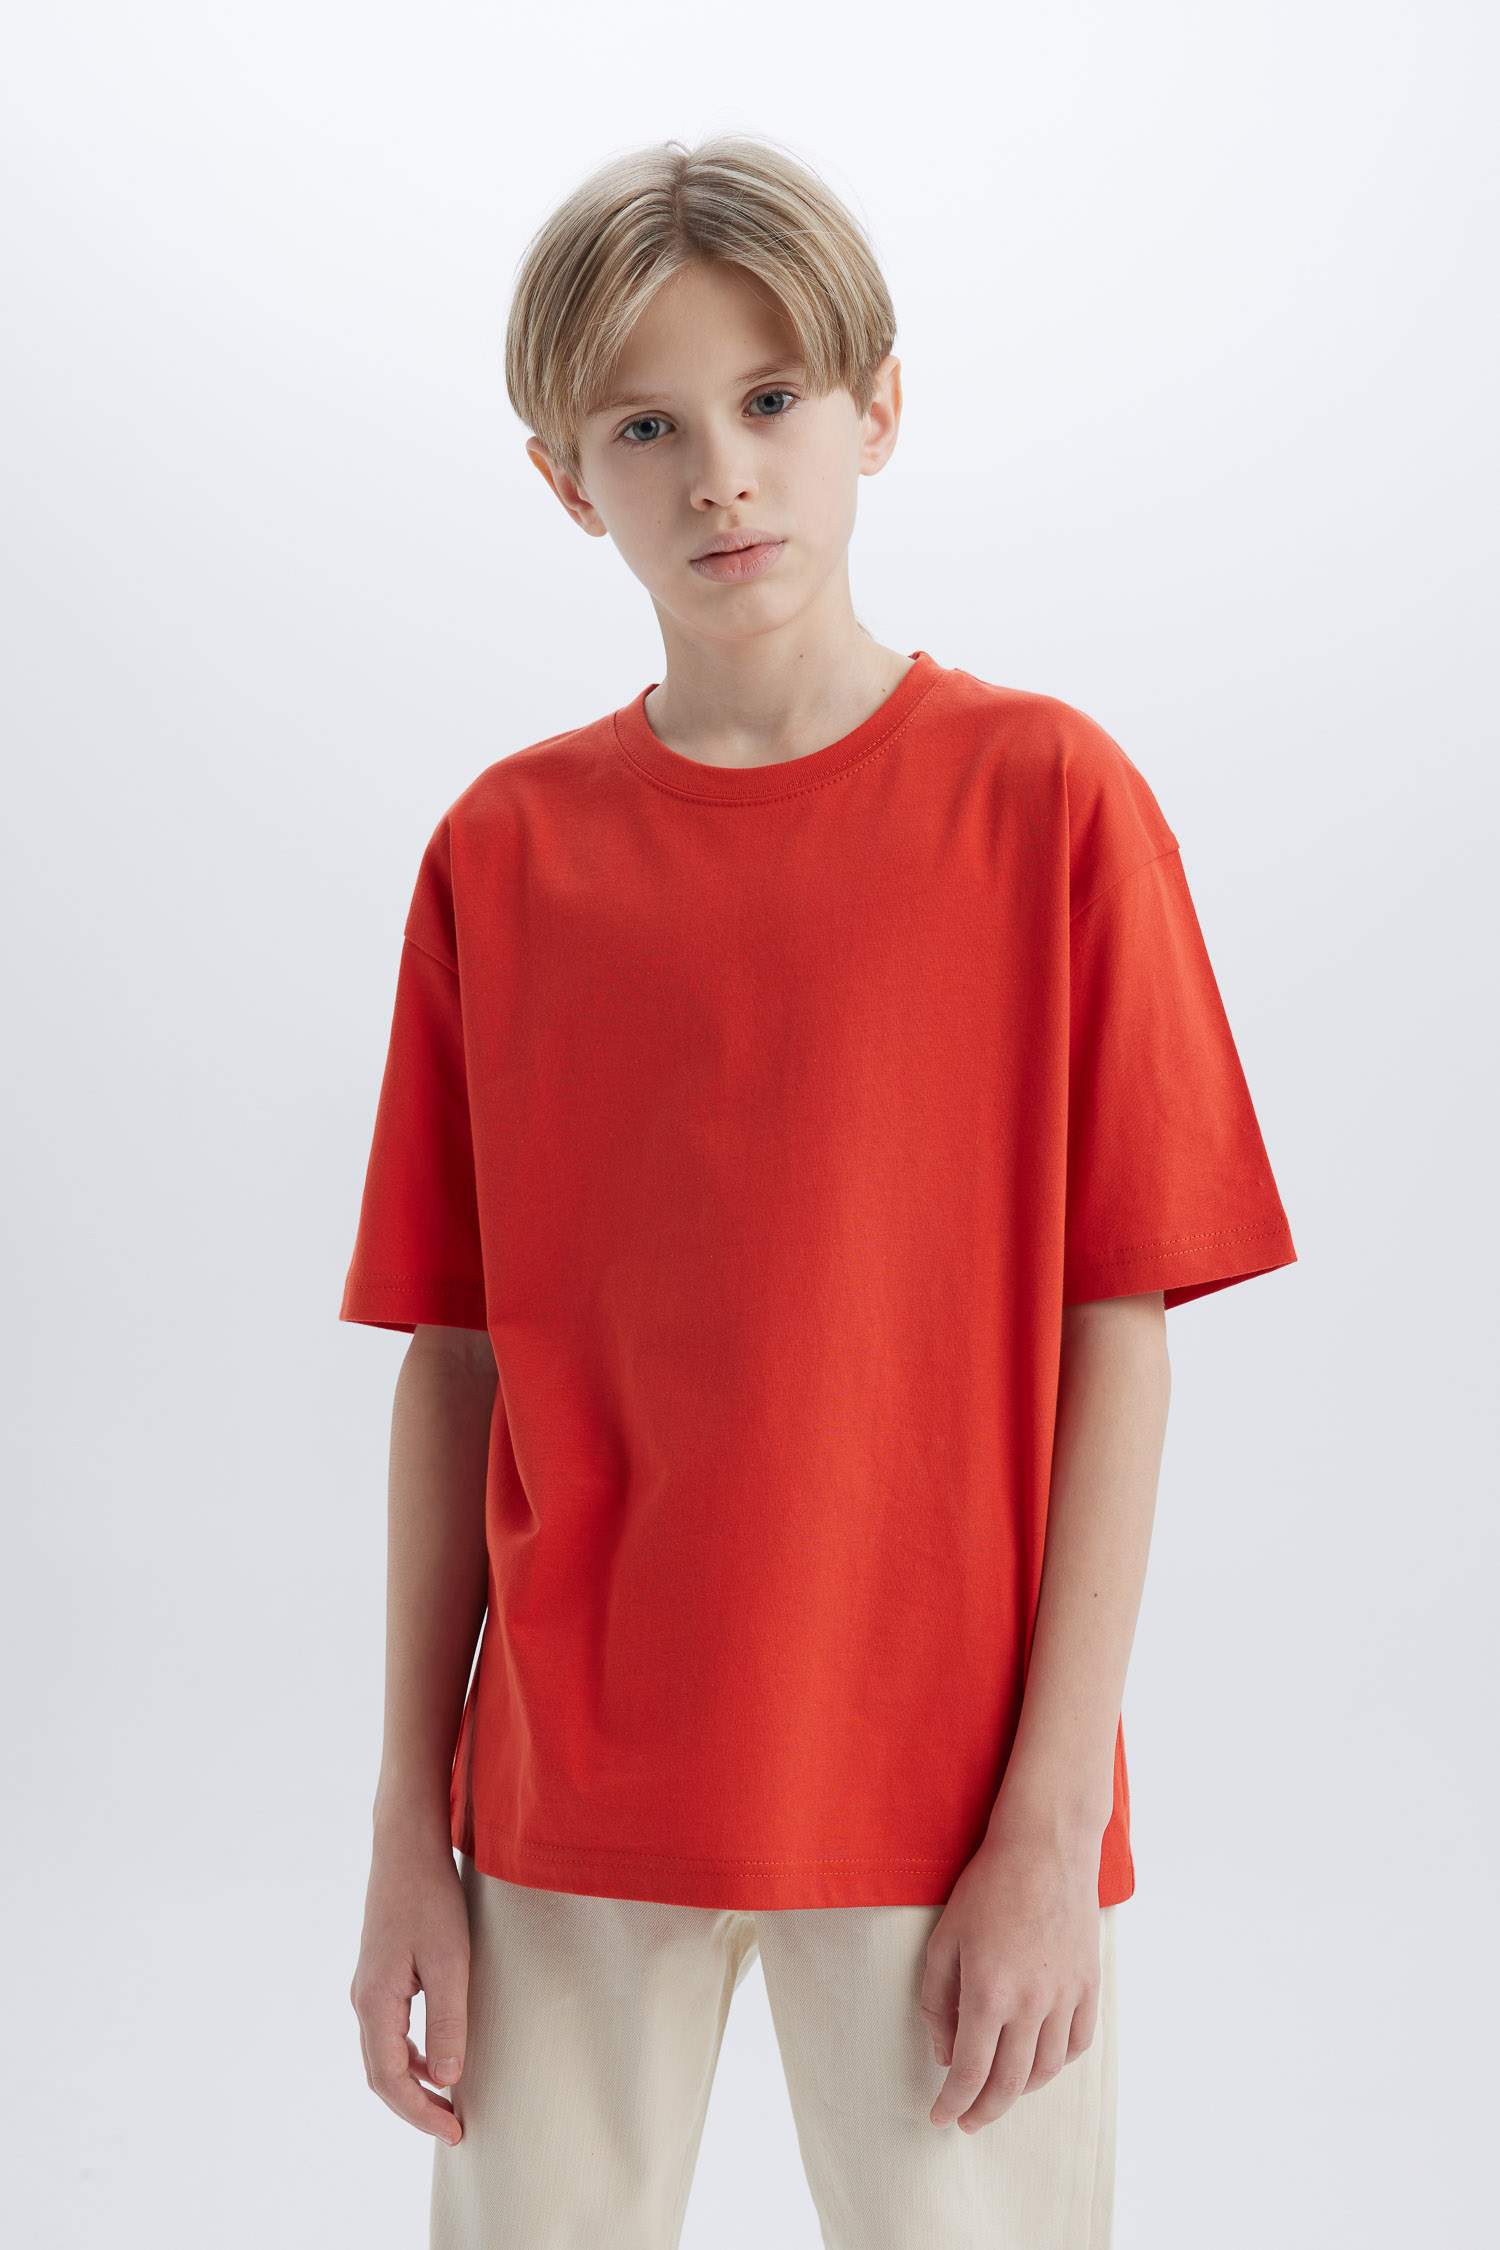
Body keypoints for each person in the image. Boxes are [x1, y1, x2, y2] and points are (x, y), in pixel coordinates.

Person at [339, 132, 1297, 2250]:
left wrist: (1050, 1818)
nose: (722, 478)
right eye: (647, 429)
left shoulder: (1050, 804)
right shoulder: (504, 856)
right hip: (566, 1795)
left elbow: (1118, 1335)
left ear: (879, 406)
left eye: (771, 399)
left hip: (943, 1798)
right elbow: (453, 1363)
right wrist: (412, 1824)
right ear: (563, 480)